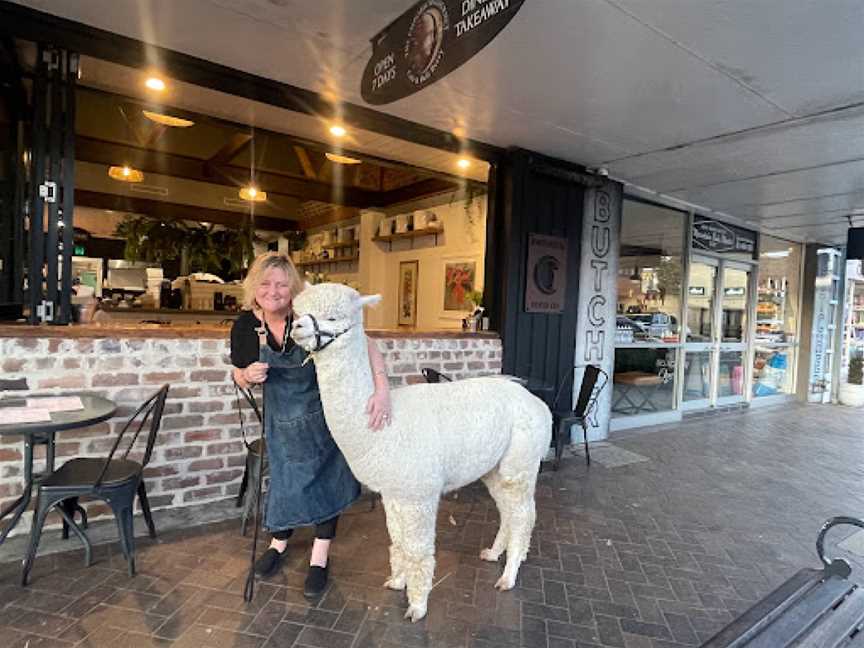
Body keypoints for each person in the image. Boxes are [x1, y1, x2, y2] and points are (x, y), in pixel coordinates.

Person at [230, 252, 391, 598]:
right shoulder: (245, 326)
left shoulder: (307, 315)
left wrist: (382, 390)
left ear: (294, 290)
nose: (273, 291)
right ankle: (278, 544)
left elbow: (366, 343)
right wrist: (245, 374)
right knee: (286, 482)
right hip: (281, 421)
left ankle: (320, 557)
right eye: (266, 283)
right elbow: (237, 373)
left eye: (282, 284)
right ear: (254, 286)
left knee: (325, 481)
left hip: (322, 414)